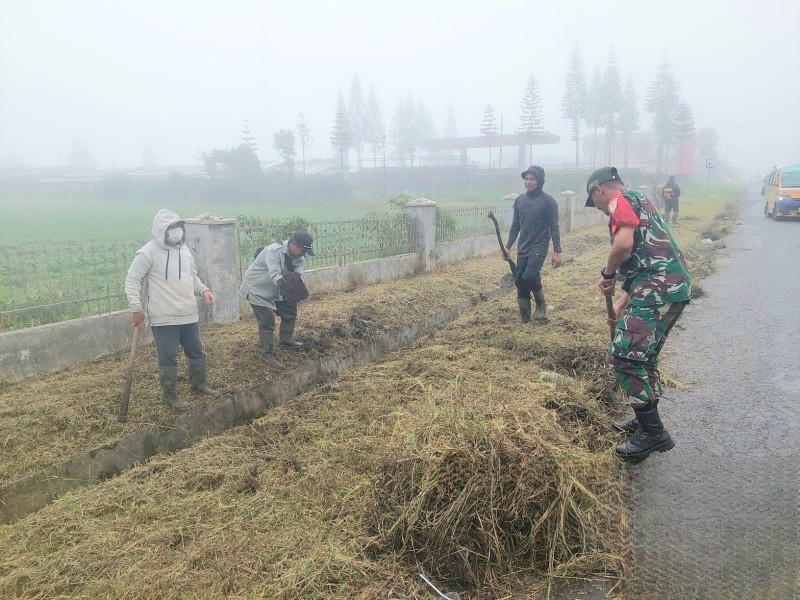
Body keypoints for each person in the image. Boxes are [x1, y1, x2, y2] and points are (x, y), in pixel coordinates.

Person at [585, 167, 691, 462]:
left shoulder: (619, 201)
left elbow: (624, 245)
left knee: (623, 358)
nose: (600, 210)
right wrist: (621, 304)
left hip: (656, 290)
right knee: (645, 358)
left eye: (595, 204)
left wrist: (608, 274)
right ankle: (644, 421)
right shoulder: (640, 199)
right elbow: (649, 257)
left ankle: (653, 433)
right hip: (670, 288)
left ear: (599, 190)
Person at [125, 209, 220, 412]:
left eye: (178, 227)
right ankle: (170, 394)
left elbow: (192, 277)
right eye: (171, 228)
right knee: (168, 356)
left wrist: (204, 291)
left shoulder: (184, 251)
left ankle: (199, 384)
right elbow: (132, 280)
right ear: (161, 231)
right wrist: (136, 308)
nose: (176, 232)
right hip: (163, 316)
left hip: (188, 312)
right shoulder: (147, 253)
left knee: (195, 349)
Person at [239, 231, 314, 368]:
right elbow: (275, 276)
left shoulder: (299, 257)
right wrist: (289, 288)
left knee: (290, 310)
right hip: (257, 289)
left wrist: (298, 288)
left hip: (276, 290)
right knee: (267, 321)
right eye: (302, 250)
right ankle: (266, 355)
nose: (303, 253)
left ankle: (286, 339)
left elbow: (299, 275)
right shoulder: (273, 251)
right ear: (293, 244)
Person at [505, 165, 562, 323]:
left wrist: (557, 250)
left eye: (532, 179)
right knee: (519, 280)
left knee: (530, 275)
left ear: (540, 180)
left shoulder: (548, 202)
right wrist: (508, 246)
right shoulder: (519, 201)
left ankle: (541, 304)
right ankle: (524, 316)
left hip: (540, 245)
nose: (528, 182)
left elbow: (554, 226)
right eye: (526, 179)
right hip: (524, 246)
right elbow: (516, 225)